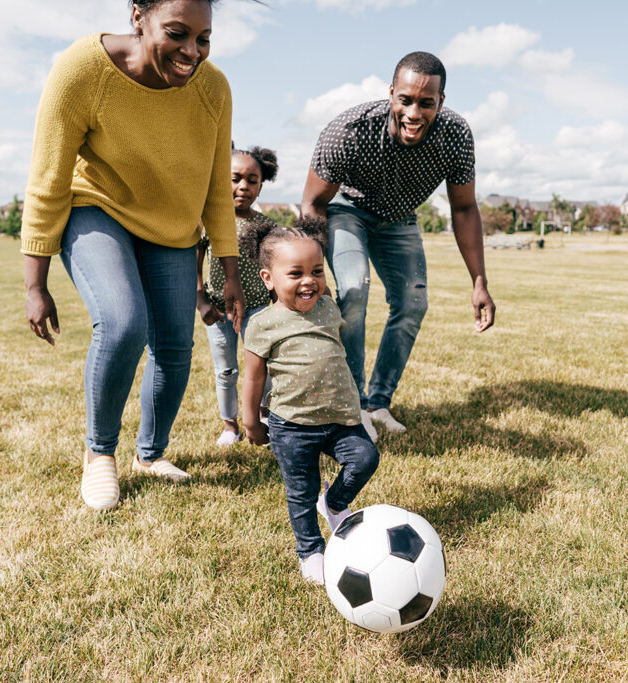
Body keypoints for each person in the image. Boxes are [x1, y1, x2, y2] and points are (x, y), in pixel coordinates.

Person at [21, 0, 246, 511]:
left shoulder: (213, 89)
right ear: (137, 15)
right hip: (96, 207)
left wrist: (227, 269)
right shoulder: (84, 69)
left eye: (203, 39)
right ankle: (100, 454)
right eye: (177, 33)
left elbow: (216, 186)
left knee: (173, 346)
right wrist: (35, 282)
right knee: (124, 323)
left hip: (171, 226)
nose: (192, 52)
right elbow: (48, 177)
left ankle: (151, 454)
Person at [301, 51, 495, 442]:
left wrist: (479, 281)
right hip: (347, 211)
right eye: (405, 100)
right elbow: (312, 203)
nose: (414, 112)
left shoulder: (455, 136)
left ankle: (378, 403)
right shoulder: (350, 130)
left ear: (441, 101)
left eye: (427, 103)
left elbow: (463, 207)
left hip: (400, 218)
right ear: (391, 94)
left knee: (413, 304)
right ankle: (353, 407)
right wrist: (312, 270)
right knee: (353, 291)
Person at [241, 217, 380, 585]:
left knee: (366, 458)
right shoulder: (263, 323)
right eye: (296, 273)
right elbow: (253, 376)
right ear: (268, 278)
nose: (309, 281)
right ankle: (310, 550)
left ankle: (333, 503)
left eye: (317, 270)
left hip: (340, 418)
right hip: (291, 425)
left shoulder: (328, 306)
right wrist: (251, 420)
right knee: (300, 492)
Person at [196, 146, 278, 446]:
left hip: (258, 309)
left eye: (252, 180)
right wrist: (200, 300)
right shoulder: (209, 220)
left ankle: (264, 417)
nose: (243, 186)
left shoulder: (266, 226)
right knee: (226, 370)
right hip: (218, 312)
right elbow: (196, 260)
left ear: (261, 183)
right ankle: (230, 426)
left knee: (264, 365)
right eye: (235, 178)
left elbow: (277, 267)